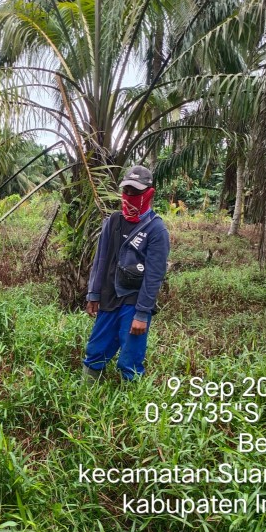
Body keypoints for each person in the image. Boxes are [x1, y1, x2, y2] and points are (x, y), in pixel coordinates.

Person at [83, 164, 170, 382]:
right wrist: (93, 294)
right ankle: (86, 393)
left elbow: (154, 276)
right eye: (126, 190)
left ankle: (131, 398)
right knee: (95, 350)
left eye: (136, 192)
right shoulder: (113, 221)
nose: (129, 196)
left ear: (149, 193)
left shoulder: (156, 229)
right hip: (109, 296)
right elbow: (101, 260)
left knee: (130, 359)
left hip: (134, 300)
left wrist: (142, 313)